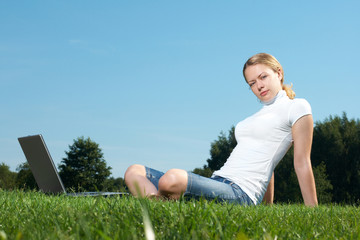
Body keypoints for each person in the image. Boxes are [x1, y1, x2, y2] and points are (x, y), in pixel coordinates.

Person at [124, 53, 318, 206]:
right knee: (134, 172)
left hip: (241, 194)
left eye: (263, 77)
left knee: (171, 179)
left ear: (279, 73)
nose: (259, 85)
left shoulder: (297, 107)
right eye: (252, 83)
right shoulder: (256, 117)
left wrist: (313, 211)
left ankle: (158, 202)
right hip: (218, 182)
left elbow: (302, 162)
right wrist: (268, 208)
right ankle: (156, 204)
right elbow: (267, 164)